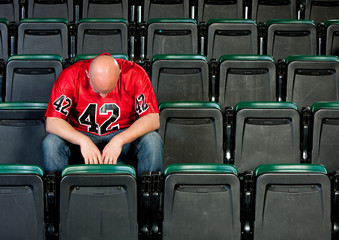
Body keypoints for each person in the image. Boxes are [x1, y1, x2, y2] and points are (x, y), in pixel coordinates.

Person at [42, 53, 163, 175]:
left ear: (119, 73)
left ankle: (147, 191)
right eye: (98, 91)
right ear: (88, 75)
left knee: (152, 140)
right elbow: (52, 122)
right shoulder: (71, 75)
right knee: (51, 142)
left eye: (108, 90)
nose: (103, 96)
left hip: (123, 134)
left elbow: (152, 119)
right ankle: (58, 190)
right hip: (81, 134)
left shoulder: (134, 73)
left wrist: (120, 139)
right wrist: (82, 140)